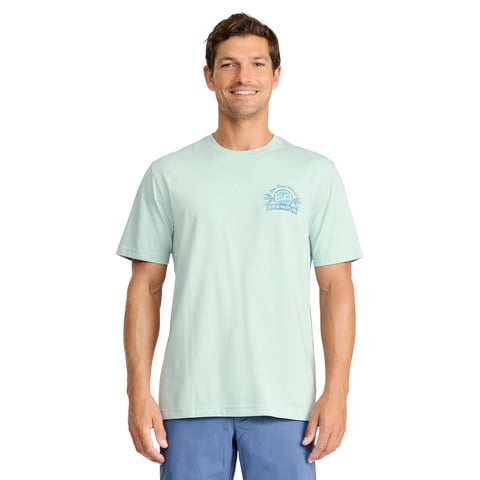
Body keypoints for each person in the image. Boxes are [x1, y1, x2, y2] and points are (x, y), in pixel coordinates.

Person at [117, 12, 363, 480]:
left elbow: (337, 288)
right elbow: (145, 288)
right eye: (228, 64)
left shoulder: (314, 173)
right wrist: (137, 392)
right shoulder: (169, 174)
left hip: (287, 403)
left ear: (276, 75)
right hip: (188, 402)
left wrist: (337, 393)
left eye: (257, 63)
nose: (243, 76)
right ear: (209, 76)